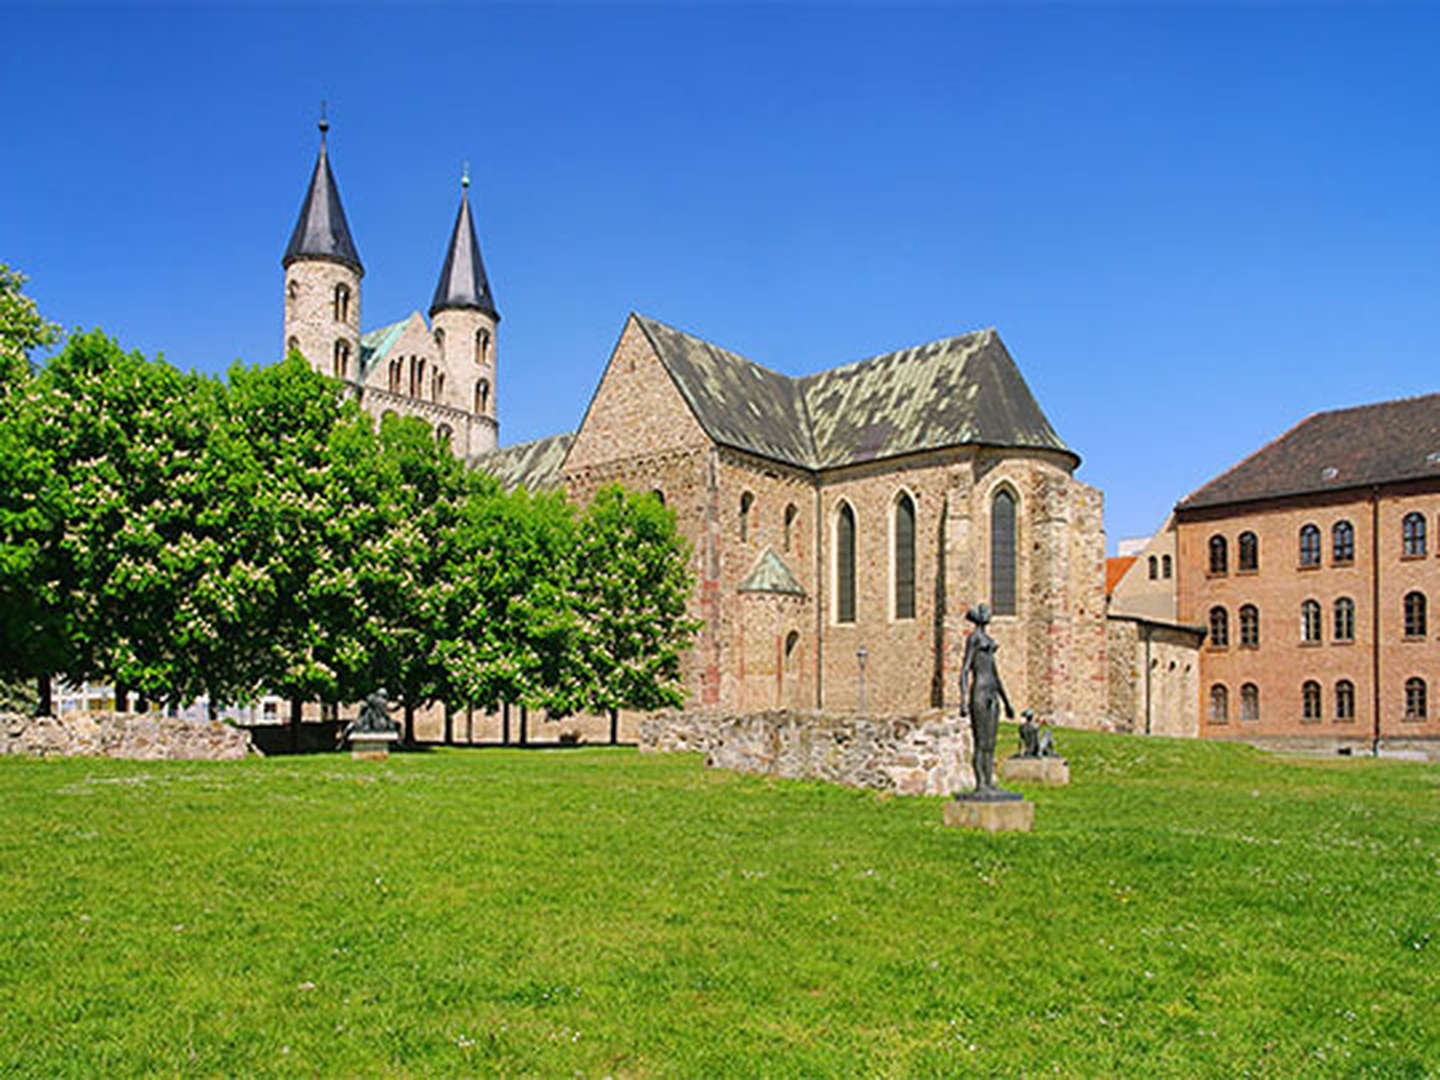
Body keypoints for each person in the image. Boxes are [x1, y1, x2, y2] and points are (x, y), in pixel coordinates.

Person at [958, 603, 1014, 795]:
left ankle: (989, 782)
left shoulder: (988, 640)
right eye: (986, 610)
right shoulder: (974, 638)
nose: (990, 613)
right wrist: (963, 700)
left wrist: (1007, 703)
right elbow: (965, 669)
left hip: (992, 692)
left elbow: (996, 674)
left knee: (991, 743)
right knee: (980, 742)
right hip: (979, 692)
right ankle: (980, 783)